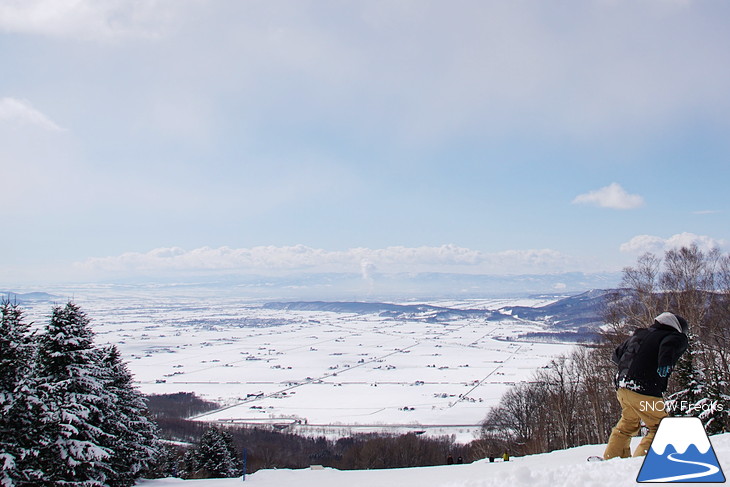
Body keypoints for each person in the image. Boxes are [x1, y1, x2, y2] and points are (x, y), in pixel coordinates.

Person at [603, 312, 689, 460]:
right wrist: (665, 363)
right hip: (644, 389)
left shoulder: (640, 334)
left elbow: (616, 355)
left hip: (623, 386)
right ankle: (641, 464)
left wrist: (632, 366)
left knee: (627, 424)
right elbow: (668, 346)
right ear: (677, 328)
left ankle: (611, 459)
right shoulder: (675, 336)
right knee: (661, 427)